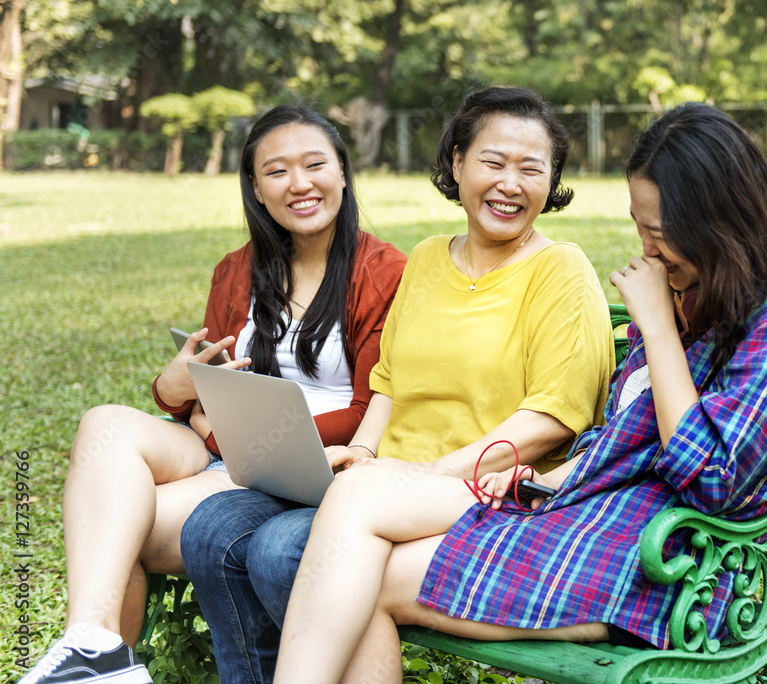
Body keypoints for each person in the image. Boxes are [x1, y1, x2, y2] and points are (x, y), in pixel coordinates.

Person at [267, 101, 767, 684]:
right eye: (640, 227)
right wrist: (540, 479)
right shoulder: (694, 291)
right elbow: (621, 439)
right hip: (583, 510)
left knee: (365, 577)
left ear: (718, 223)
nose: (645, 248)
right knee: (361, 499)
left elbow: (714, 481)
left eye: (659, 233)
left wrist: (660, 331)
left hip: (669, 561)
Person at [180, 86, 616, 684]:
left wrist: (429, 475)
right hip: (380, 478)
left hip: (472, 489)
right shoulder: (430, 258)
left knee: (282, 549)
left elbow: (553, 419)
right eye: (492, 163)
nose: (509, 184)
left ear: (552, 181)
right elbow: (388, 383)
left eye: (531, 169)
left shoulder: (561, 270)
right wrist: (363, 451)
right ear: (457, 164)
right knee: (213, 528)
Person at [18, 105, 407, 684]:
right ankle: (92, 650)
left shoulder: (384, 272)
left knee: (118, 530)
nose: (298, 184)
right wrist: (172, 389)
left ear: (344, 173)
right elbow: (208, 381)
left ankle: (101, 665)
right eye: (276, 172)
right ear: (255, 187)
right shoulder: (237, 270)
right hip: (230, 447)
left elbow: (366, 406)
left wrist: (219, 428)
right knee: (105, 423)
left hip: (308, 464)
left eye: (315, 165)